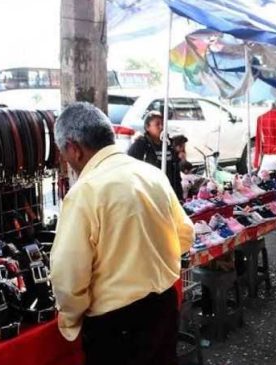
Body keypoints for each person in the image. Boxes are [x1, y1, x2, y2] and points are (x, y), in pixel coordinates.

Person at [51, 102, 194, 365]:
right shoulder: (152, 174)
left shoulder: (84, 193)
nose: (66, 160)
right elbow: (185, 234)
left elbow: (68, 277)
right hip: (163, 307)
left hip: (117, 325)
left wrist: (70, 320)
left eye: (63, 153)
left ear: (74, 148)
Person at [128, 111, 183, 199]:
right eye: (157, 124)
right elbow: (130, 168)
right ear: (147, 127)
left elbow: (176, 173)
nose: (161, 127)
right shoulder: (141, 144)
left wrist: (179, 196)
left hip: (170, 192)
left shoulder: (169, 144)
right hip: (150, 193)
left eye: (163, 124)